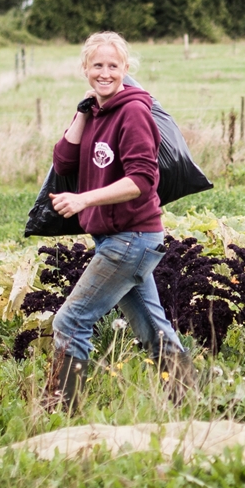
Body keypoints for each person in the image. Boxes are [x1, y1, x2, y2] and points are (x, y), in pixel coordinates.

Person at [43, 31, 193, 412]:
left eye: (113, 65)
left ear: (126, 69)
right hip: (117, 238)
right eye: (97, 65)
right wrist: (82, 111)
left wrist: (83, 199)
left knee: (71, 321)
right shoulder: (95, 112)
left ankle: (61, 409)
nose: (105, 73)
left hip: (131, 237)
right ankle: (191, 401)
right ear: (85, 69)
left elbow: (142, 181)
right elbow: (63, 162)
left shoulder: (133, 111)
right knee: (152, 329)